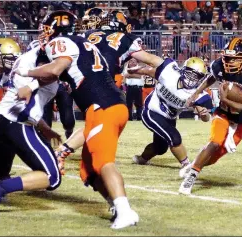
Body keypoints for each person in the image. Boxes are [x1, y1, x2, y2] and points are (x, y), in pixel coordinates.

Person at [16, 10, 164, 229]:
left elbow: (56, 68)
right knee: (89, 171)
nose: (44, 34)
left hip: (103, 106)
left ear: (56, 29)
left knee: (104, 163)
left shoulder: (59, 43)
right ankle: (115, 205)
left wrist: (26, 72)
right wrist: (33, 84)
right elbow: (57, 74)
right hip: (107, 105)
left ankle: (125, 211)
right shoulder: (84, 43)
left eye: (47, 29)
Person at [179, 38, 242, 194]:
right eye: (227, 57)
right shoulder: (220, 65)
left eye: (234, 58)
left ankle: (196, 162)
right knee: (214, 142)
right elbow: (211, 77)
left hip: (241, 123)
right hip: (223, 113)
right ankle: (192, 176)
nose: (229, 62)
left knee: (213, 158)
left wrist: (226, 98)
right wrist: (195, 94)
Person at [0, 41, 61, 215]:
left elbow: (29, 103)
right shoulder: (27, 63)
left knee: (1, 173)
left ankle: (1, 184)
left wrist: (45, 127)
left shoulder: (32, 62)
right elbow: (27, 91)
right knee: (51, 177)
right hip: (17, 124)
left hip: (6, 121)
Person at [130, 57, 212, 174]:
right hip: (152, 111)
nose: (191, 79)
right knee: (174, 138)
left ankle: (142, 159)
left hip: (169, 118)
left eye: (196, 77)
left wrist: (204, 114)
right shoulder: (170, 75)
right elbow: (150, 71)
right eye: (190, 74)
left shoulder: (197, 93)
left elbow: (205, 117)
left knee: (160, 148)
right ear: (183, 70)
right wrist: (135, 70)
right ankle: (186, 165)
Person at [0, 38, 21, 181]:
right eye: (9, 58)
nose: (13, 61)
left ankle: (1, 175)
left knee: (9, 134)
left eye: (15, 58)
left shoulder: (6, 74)